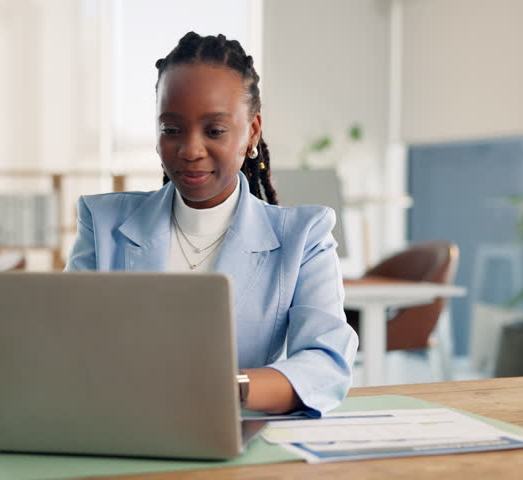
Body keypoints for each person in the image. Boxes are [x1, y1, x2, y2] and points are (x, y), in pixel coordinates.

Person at [65, 32, 358, 415]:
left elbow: (325, 364)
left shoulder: (303, 236)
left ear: (252, 132)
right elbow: (67, 346)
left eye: (215, 130)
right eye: (171, 130)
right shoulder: (103, 222)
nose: (190, 150)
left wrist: (226, 388)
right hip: (121, 426)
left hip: (236, 428)